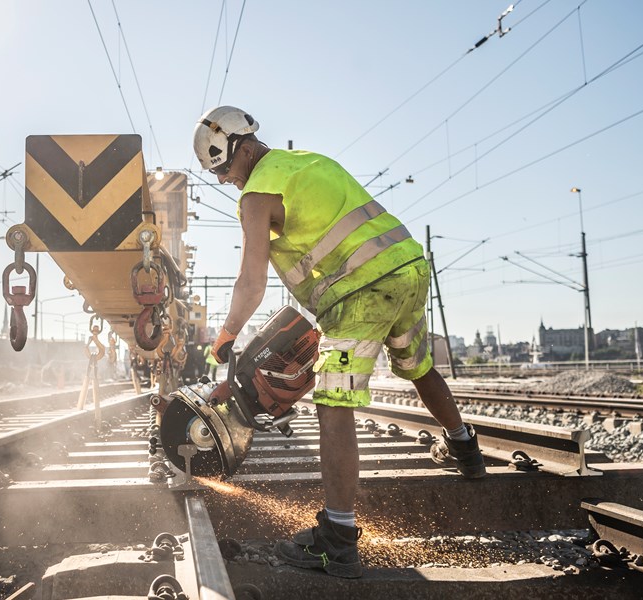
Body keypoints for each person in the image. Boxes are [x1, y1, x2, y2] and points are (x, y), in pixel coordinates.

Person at [193, 106, 485, 579]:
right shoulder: (308, 161)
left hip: (359, 290)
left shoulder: (255, 196)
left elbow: (251, 282)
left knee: (333, 401)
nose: (226, 180)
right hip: (408, 268)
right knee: (418, 366)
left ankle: (338, 540)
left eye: (223, 168)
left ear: (241, 148)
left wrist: (226, 336)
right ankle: (466, 448)